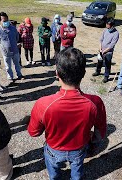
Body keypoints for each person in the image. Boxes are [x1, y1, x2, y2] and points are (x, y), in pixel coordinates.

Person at [28, 48, 107, 180]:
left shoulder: (43, 104)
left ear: (57, 73)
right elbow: (100, 132)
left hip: (54, 149)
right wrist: (94, 140)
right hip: (79, 148)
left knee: (54, 173)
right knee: (77, 171)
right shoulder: (95, 102)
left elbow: (33, 132)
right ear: (83, 73)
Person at [0, 12, 23, 82]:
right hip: (6, 52)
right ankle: (10, 77)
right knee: (8, 66)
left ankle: (19, 74)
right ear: (0, 21)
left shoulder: (13, 28)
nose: (6, 22)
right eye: (4, 21)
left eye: (7, 20)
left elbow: (16, 38)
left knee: (17, 63)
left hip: (15, 50)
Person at [92, 18, 119, 83]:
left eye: (107, 24)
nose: (106, 25)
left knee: (107, 64)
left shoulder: (116, 33)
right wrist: (100, 48)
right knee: (99, 62)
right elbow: (101, 40)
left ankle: (106, 76)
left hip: (108, 52)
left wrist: (104, 51)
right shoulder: (105, 30)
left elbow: (111, 45)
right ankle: (98, 71)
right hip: (102, 50)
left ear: (112, 25)